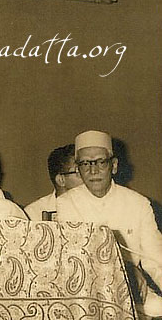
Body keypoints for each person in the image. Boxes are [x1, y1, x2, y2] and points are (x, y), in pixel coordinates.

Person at [56, 130, 162, 316]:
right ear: (79, 170)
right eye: (85, 164)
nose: (93, 170)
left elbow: (155, 260)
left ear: (113, 166)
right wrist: (125, 269)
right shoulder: (66, 203)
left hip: (134, 291)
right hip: (87, 290)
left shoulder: (138, 204)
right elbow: (77, 257)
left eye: (100, 162)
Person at [24, 144, 83, 221]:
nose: (88, 175)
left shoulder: (97, 207)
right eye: (78, 171)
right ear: (61, 180)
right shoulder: (33, 214)